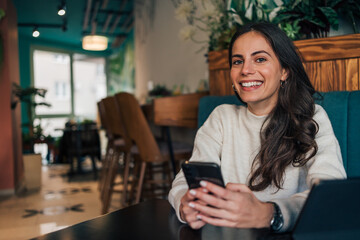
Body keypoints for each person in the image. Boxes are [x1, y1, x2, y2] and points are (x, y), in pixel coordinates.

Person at [168, 22, 346, 232]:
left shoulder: (312, 117)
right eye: (237, 61)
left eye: (260, 59)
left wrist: (269, 213)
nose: (246, 70)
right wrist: (184, 203)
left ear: (284, 71)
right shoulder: (221, 118)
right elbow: (183, 182)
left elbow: (330, 196)